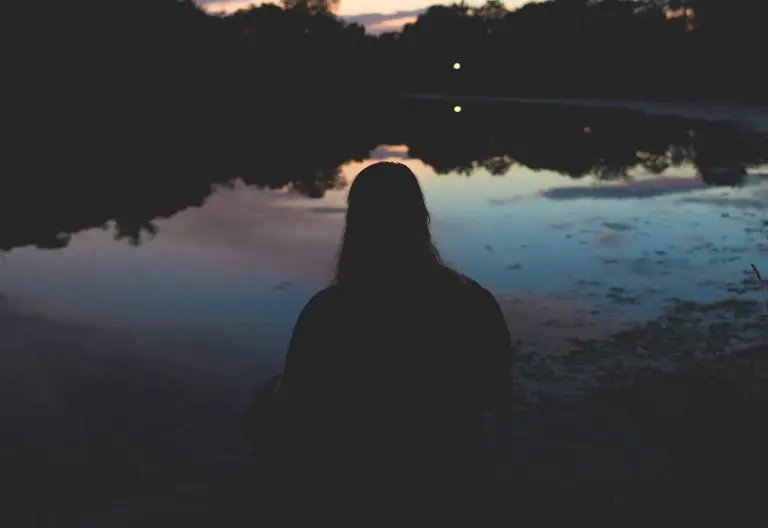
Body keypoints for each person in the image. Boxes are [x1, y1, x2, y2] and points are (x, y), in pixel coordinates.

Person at [263, 162, 516, 527]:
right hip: (455, 480)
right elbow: (498, 396)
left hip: (357, 489)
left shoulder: (328, 313)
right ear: (420, 219)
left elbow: (299, 405)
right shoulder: (473, 301)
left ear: (355, 225)